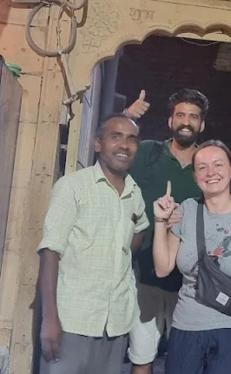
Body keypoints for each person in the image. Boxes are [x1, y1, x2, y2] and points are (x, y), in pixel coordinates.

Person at [37, 114, 149, 374]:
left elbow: (140, 229)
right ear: (98, 144)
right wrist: (49, 317)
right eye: (116, 137)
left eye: (131, 139)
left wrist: (119, 257)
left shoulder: (135, 192)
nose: (124, 145)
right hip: (72, 322)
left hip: (116, 325)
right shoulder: (73, 187)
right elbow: (50, 250)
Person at [153, 140, 231, 374]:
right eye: (202, 167)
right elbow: (162, 268)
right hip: (188, 328)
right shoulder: (186, 210)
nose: (211, 173)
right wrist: (160, 221)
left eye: (218, 165)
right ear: (195, 175)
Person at [126, 88, 208, 374]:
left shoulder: (209, 166)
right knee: (142, 357)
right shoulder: (148, 152)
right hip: (145, 277)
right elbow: (111, 149)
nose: (187, 122)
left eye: (194, 117)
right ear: (170, 121)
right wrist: (126, 116)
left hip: (191, 286)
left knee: (187, 362)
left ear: (202, 125)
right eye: (181, 115)